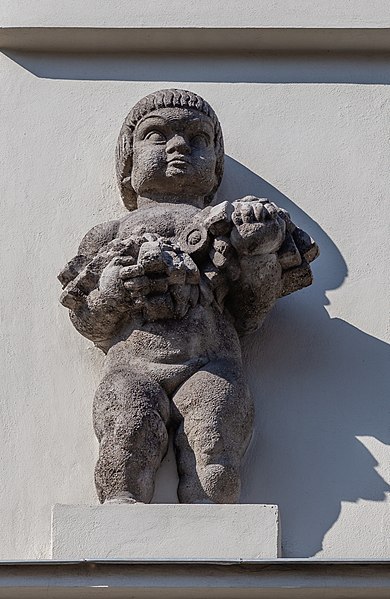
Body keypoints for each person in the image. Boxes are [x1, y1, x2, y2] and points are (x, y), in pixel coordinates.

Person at [59, 89, 318, 504]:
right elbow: (89, 318)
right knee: (126, 431)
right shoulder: (109, 236)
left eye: (197, 139)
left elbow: (250, 312)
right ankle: (118, 523)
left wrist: (258, 251)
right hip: (132, 366)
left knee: (214, 442)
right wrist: (115, 286)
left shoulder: (224, 227)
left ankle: (212, 526)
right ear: (128, 166)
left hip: (213, 363)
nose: (178, 146)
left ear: (215, 167)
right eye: (157, 135)